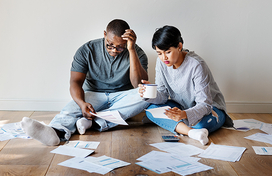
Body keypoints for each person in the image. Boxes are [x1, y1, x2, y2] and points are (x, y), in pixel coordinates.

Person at [21, 19, 150, 146]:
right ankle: (55, 132)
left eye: (120, 47)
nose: (114, 50)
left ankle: (93, 123)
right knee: (71, 109)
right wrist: (82, 103)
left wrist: (131, 50)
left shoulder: (137, 53)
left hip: (122, 96)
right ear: (104, 34)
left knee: (147, 95)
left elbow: (138, 84)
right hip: (94, 95)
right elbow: (75, 82)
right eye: (110, 44)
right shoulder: (87, 50)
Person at [139, 25, 233, 145]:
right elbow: (162, 95)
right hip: (182, 107)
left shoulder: (196, 65)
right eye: (159, 53)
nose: (164, 58)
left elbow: (205, 104)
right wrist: (148, 94)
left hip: (211, 108)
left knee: (201, 124)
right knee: (151, 110)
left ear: (179, 46)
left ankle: (187, 128)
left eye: (168, 52)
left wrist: (184, 114)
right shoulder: (161, 62)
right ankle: (191, 132)